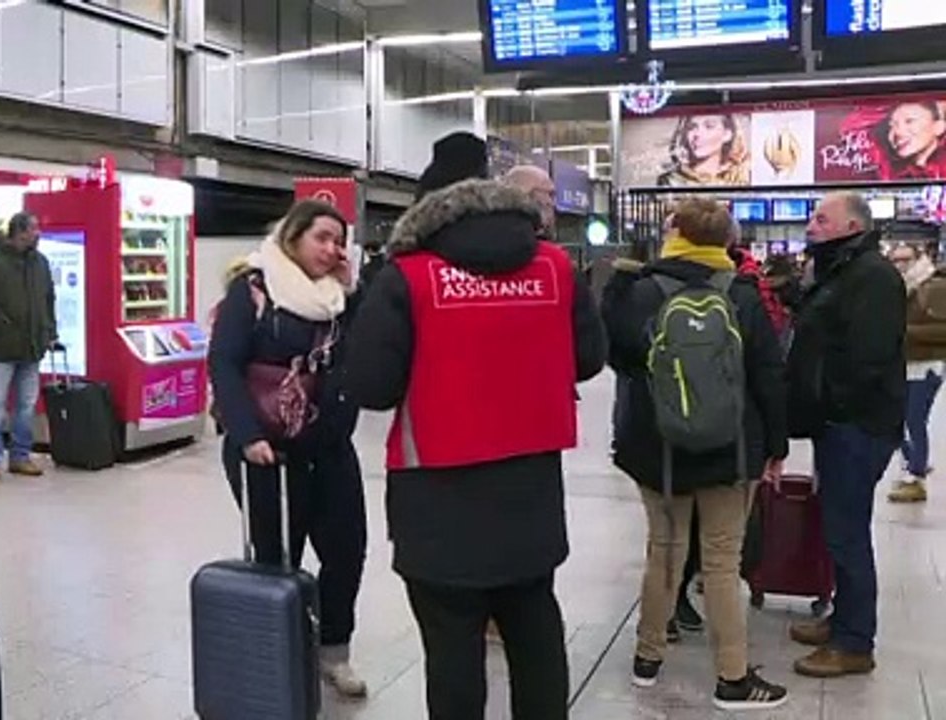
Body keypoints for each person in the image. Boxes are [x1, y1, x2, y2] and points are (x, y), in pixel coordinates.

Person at [348, 132, 606, 720]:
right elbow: (590, 360)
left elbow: (371, 387)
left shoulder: (407, 275)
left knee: (453, 655)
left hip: (437, 501)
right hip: (531, 494)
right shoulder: (556, 268)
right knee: (536, 633)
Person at [603, 197, 790, 710]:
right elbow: (769, 374)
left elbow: (616, 357)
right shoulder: (743, 294)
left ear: (675, 234)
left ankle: (647, 659)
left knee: (663, 551)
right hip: (731, 449)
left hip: (657, 450)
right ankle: (732, 679)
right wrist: (776, 445)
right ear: (727, 241)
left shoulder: (642, 290)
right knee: (722, 563)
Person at [207, 199, 368, 699]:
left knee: (346, 551)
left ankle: (333, 651)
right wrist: (247, 433)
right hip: (267, 453)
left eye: (338, 241)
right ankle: (282, 650)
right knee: (277, 557)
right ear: (292, 237)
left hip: (330, 447)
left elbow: (363, 351)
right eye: (321, 237)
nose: (331, 249)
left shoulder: (339, 298)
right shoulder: (254, 289)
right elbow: (224, 363)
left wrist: (354, 293)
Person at [786, 192, 906, 677]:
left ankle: (855, 642)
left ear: (852, 226)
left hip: (857, 424)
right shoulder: (840, 271)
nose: (811, 226)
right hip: (837, 422)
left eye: (822, 219)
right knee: (838, 528)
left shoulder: (872, 276)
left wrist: (831, 401)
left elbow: (868, 356)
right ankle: (843, 620)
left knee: (847, 532)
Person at [0, 211, 57, 486]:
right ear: (19, 232)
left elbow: (49, 299)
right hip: (1, 348)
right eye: (33, 229)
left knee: (26, 407)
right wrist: (3, 324)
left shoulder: (40, 262)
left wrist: (50, 331)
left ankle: (20, 456)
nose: (38, 233)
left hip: (32, 347)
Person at [886, 244, 945, 503]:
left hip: (926, 365)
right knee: (899, 420)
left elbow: (941, 330)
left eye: (905, 259)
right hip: (906, 364)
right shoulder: (903, 287)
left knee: (913, 420)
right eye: (895, 260)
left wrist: (903, 332)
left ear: (919, 258)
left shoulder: (933, 288)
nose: (900, 265)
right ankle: (915, 463)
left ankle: (916, 474)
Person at [657, 114, 751, 187]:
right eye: (692, 127)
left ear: (727, 134)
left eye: (709, 126)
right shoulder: (671, 181)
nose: (697, 134)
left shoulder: (741, 177)